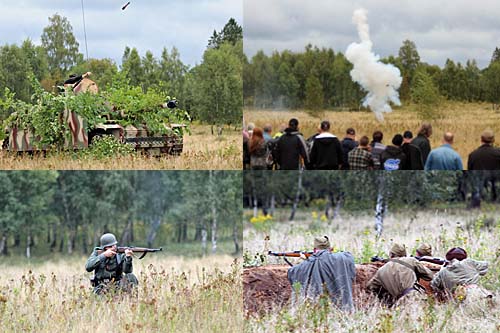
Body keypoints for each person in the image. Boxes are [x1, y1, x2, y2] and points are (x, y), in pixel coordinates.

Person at [288, 236, 356, 311]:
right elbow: (348, 257)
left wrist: (303, 260)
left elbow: (292, 272)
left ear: (314, 249)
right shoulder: (341, 258)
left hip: (318, 307)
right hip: (342, 308)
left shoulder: (310, 262)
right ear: (330, 249)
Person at [367, 243, 433, 307]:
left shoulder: (381, 271)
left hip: (399, 304)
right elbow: (430, 275)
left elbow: (370, 287)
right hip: (416, 298)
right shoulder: (411, 260)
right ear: (404, 255)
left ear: (391, 255)